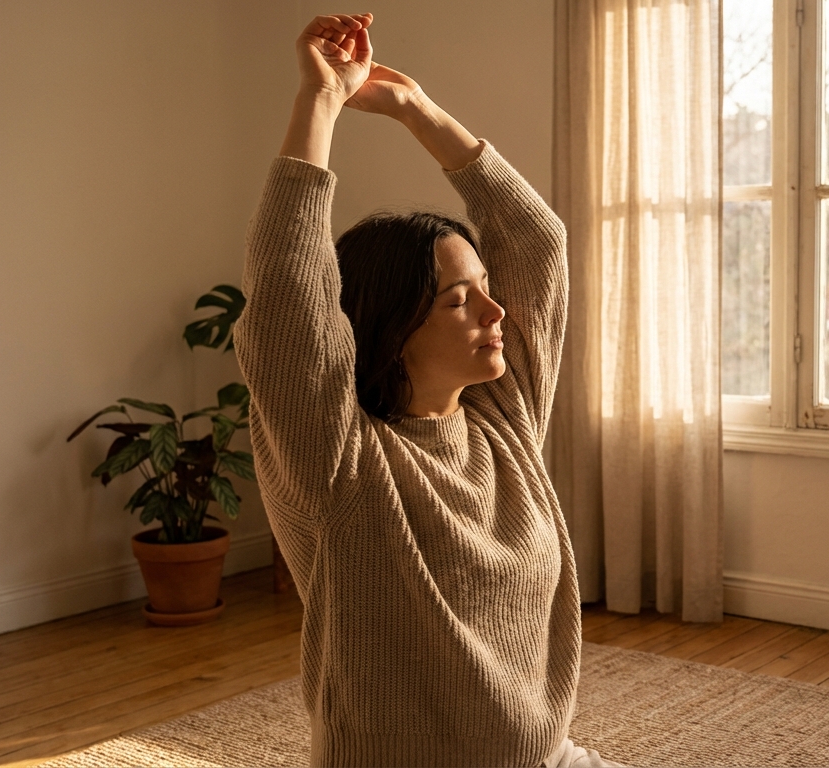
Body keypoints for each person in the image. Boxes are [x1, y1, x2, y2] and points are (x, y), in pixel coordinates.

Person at [235, 13, 618, 768]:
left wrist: (418, 111)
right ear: (389, 328)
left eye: (484, 288)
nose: (495, 311)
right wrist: (319, 100)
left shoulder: (503, 417)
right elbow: (287, 295)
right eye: (458, 300)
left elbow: (538, 245)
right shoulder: (337, 464)